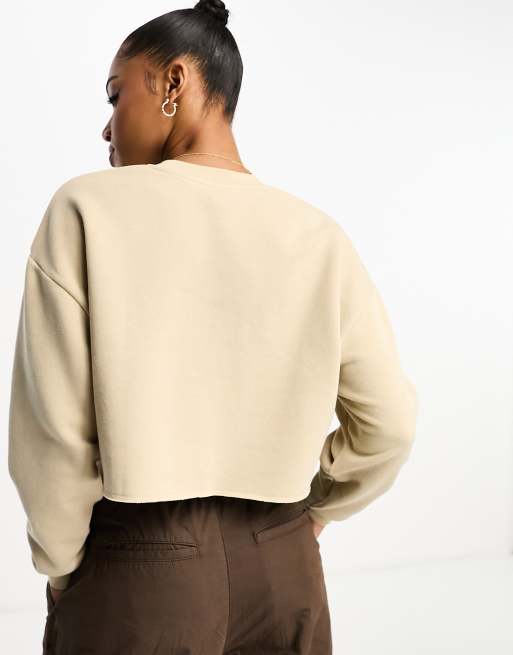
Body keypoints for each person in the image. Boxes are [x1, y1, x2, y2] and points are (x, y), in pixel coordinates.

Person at [7, 1, 418, 653]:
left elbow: (54, 437)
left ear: (173, 82)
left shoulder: (86, 209)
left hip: (139, 574)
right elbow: (388, 422)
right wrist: (310, 513)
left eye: (116, 95)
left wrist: (62, 567)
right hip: (285, 570)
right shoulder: (316, 235)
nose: (107, 127)